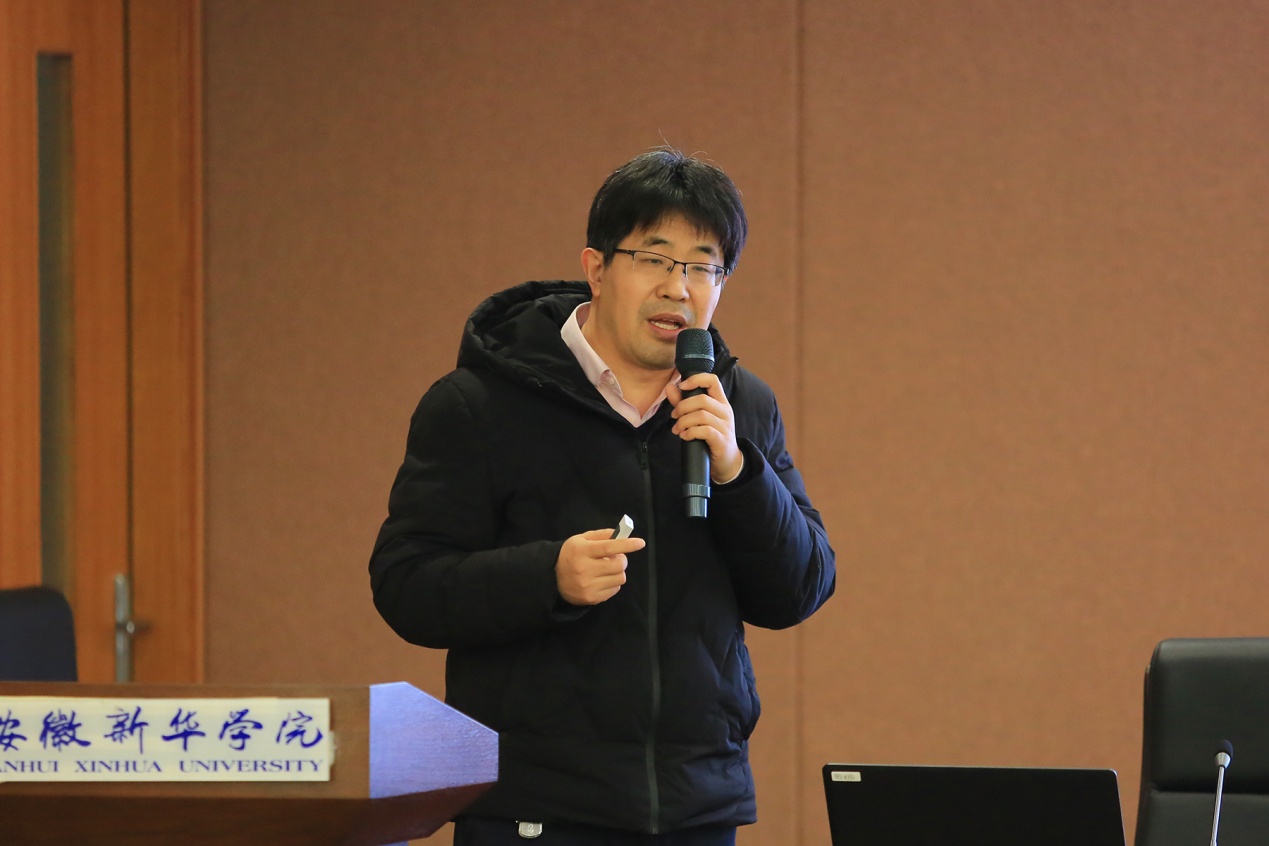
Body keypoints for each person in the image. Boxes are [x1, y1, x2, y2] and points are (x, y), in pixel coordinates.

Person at [369, 148, 836, 846]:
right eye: (655, 259)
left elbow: (798, 589)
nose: (679, 288)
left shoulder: (739, 404)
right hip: (536, 807)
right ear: (596, 268)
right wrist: (546, 576)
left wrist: (738, 471)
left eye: (703, 266)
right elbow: (406, 584)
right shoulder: (481, 404)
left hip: (697, 808)